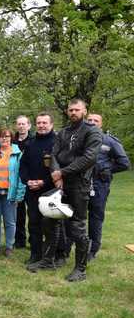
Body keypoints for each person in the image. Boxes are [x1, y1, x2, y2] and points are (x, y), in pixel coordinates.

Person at [50, 100, 103, 282]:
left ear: (84, 111)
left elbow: (88, 158)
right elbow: (53, 155)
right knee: (55, 220)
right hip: (61, 183)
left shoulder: (92, 131)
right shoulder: (63, 132)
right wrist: (58, 176)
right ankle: (54, 257)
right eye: (70, 110)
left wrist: (61, 172)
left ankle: (80, 269)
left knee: (78, 225)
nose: (73, 112)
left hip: (79, 184)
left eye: (77, 109)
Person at [86, 113, 131, 261]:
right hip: (81, 183)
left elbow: (124, 163)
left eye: (96, 120)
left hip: (99, 185)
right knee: (74, 216)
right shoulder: (81, 139)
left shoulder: (110, 141)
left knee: (95, 218)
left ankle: (92, 250)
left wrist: (107, 169)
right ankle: (70, 246)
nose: (92, 122)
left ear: (101, 124)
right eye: (90, 120)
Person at [20, 113, 61, 267]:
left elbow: (61, 168)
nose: (42, 125)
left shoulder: (57, 142)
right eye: (39, 123)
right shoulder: (30, 144)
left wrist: (44, 182)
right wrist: (27, 181)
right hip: (32, 191)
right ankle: (35, 254)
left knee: (51, 225)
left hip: (51, 191)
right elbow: (23, 165)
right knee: (34, 224)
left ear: (51, 124)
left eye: (45, 122)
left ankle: (53, 255)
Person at [0, 128, 25, 257]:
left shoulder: (17, 153)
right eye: (2, 136)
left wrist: (19, 194)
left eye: (7, 136)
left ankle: (9, 246)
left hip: (10, 193)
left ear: (11, 138)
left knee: (10, 221)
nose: (4, 139)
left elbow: (21, 176)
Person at [13, 115, 33, 249]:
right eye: (19, 124)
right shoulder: (12, 142)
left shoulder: (33, 141)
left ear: (29, 126)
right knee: (18, 213)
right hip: (16, 181)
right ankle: (19, 240)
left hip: (30, 181)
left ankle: (34, 240)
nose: (21, 126)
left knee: (33, 213)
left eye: (23, 124)